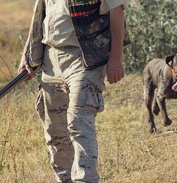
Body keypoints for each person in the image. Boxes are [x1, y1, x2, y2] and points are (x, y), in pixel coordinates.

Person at [18, 0, 127, 182]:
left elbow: (117, 11)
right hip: (51, 57)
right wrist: (27, 55)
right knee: (55, 131)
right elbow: (39, 15)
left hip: (84, 56)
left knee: (79, 122)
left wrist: (116, 59)